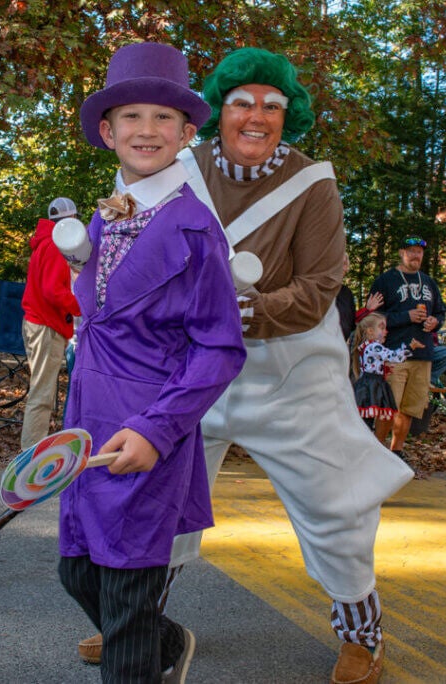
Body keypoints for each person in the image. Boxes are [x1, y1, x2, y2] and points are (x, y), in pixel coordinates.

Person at [75, 47, 414, 684]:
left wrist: (241, 309)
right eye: (241, 103)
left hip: (286, 374)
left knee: (334, 504)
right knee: (153, 498)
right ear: (216, 113)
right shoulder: (174, 165)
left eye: (272, 106)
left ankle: (361, 634)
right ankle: (136, 624)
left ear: (289, 117)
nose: (256, 116)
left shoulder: (313, 184)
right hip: (186, 373)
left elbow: (320, 287)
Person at [59, 42, 246, 684]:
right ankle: (167, 643)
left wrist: (156, 430)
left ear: (187, 133)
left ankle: (145, 651)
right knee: (78, 567)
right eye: (131, 117)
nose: (147, 130)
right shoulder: (105, 216)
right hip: (86, 420)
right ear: (107, 132)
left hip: (145, 423)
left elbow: (220, 346)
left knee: (128, 594)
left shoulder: (194, 228)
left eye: (163, 118)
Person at [370, 235, 446, 459]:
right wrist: (406, 316)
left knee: (410, 408)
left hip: (422, 354)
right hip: (394, 353)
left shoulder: (429, 282)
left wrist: (436, 322)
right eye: (411, 250)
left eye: (419, 251)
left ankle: (397, 451)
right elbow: (373, 317)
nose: (415, 255)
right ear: (401, 253)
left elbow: (440, 312)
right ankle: (376, 452)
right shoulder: (386, 281)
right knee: (389, 407)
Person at [19, 197, 82, 450]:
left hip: (36, 322)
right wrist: (81, 307)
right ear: (72, 221)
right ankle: (31, 453)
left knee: (41, 389)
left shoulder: (43, 243)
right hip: (46, 325)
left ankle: (32, 448)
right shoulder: (56, 245)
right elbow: (53, 291)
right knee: (42, 393)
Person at [352, 313, 423, 443]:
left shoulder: (367, 346)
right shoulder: (374, 346)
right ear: (370, 331)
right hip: (372, 386)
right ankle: (365, 445)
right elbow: (394, 357)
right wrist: (410, 347)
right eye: (382, 328)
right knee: (367, 419)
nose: (386, 331)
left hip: (368, 384)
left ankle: (364, 443)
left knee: (366, 419)